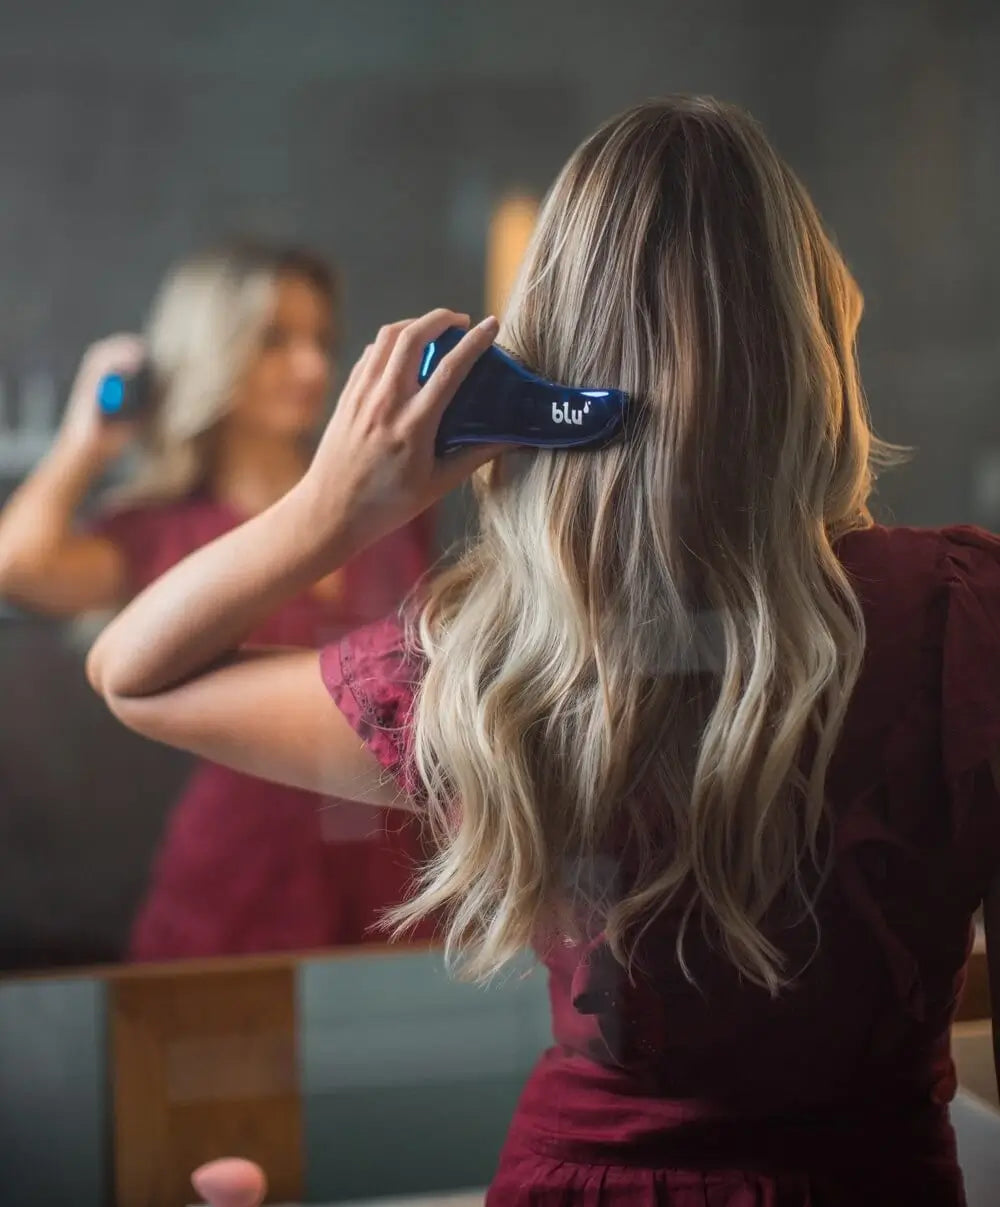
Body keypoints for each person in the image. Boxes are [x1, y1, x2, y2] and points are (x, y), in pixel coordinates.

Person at [85, 97, 1000, 1204]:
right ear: (817, 336)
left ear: (555, 381)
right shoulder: (966, 618)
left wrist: (332, 504)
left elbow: (137, 675)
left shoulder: (499, 664)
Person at [0, 238, 436, 961]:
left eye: (320, 340)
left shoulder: (393, 499)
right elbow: (18, 568)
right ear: (213, 348)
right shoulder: (165, 531)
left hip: (400, 867)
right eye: (275, 340)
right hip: (245, 873)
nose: (313, 366)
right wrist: (87, 439)